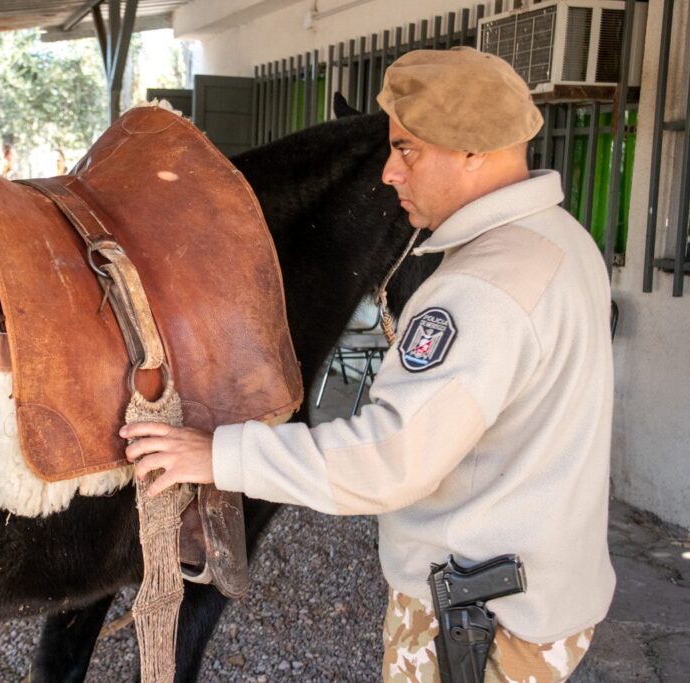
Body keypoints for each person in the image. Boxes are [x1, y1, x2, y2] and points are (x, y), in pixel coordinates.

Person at [122, 47, 614, 682]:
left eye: (407, 149)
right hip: (536, 596)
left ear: (471, 151)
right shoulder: (564, 242)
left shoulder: (482, 289)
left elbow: (389, 461)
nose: (388, 173)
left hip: (476, 619)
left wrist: (216, 455)